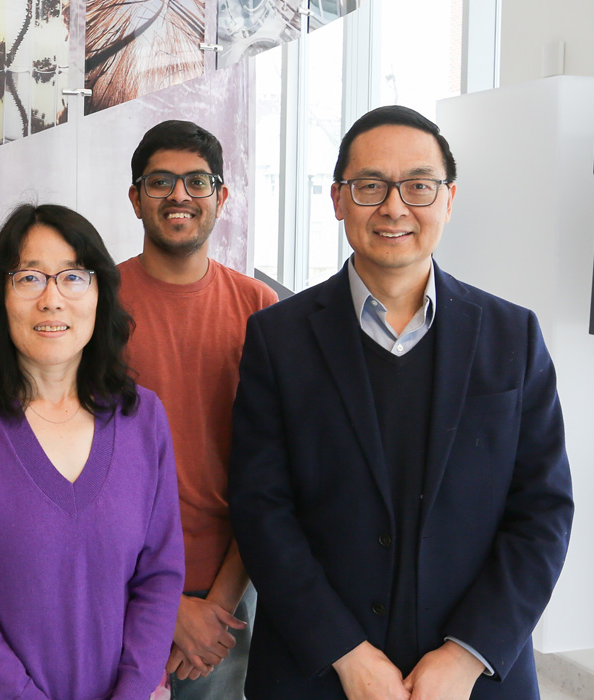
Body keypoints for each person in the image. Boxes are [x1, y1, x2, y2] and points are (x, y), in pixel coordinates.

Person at [229, 105, 573, 700]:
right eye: (370, 186)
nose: (394, 207)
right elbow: (262, 510)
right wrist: (345, 653)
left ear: (448, 198)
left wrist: (468, 655)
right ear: (338, 199)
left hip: (476, 678)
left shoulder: (511, 336)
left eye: (418, 186)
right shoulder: (277, 338)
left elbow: (542, 511)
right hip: (315, 673)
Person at [0, 204, 185, 700]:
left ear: (100, 293)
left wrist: (134, 689)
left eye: (73, 277)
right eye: (29, 278)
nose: (52, 299)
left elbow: (160, 576)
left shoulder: (144, 418)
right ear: (2, 296)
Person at [119, 120, 277, 699]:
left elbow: (271, 469)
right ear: (135, 198)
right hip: (120, 584)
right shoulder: (93, 305)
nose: (179, 195)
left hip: (233, 585)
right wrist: (164, 603)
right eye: (160, 182)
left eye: (197, 182)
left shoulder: (261, 308)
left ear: (221, 197)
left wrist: (218, 601)